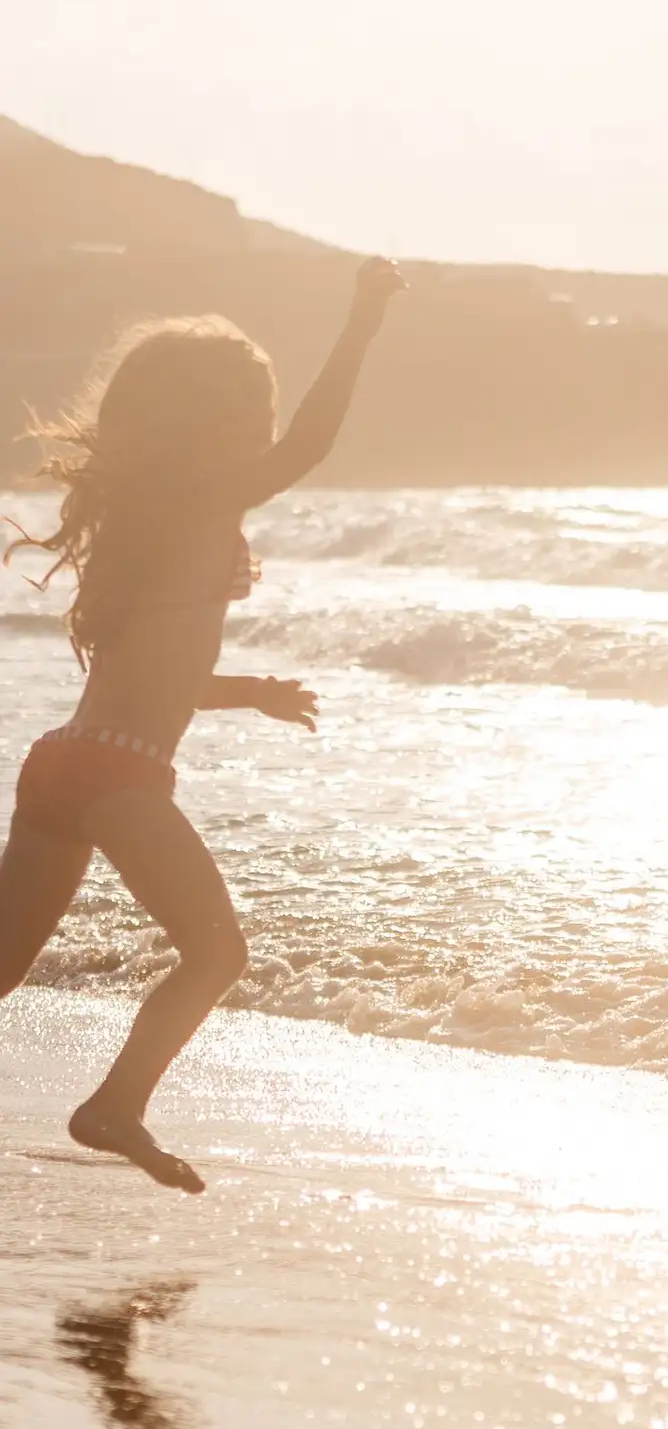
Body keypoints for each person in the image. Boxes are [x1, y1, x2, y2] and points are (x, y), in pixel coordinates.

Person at [0, 257, 406, 1192]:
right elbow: (312, 443)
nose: (262, 422)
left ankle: (117, 1106)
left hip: (64, 760)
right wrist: (361, 323)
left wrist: (249, 689)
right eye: (251, 402)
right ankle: (115, 1107)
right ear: (216, 416)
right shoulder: (201, 500)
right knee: (219, 952)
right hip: (117, 774)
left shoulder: (143, 513)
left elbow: (153, 672)